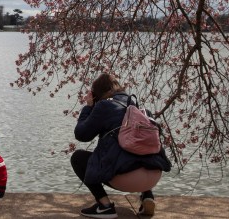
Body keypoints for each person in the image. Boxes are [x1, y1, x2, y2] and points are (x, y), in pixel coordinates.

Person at [71, 73, 172, 219]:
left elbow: (81, 134)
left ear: (95, 94)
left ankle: (104, 207)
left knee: (78, 157)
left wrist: (88, 107)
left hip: (127, 179)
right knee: (140, 148)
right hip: (154, 175)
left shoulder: (104, 106)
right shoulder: (140, 110)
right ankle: (147, 196)